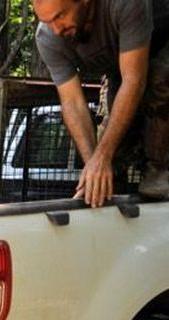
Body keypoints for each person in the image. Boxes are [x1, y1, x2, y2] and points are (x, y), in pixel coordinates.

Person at [33, 0, 169, 207]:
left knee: (159, 79)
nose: (56, 29)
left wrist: (103, 155)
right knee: (109, 161)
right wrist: (93, 164)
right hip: (120, 66)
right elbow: (72, 102)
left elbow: (134, 80)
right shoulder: (48, 37)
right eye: (47, 21)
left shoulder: (125, 4)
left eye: (60, 16)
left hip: (162, 42)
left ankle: (158, 168)